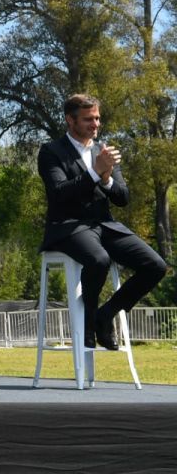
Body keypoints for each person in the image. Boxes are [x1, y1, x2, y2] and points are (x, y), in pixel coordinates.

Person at [38, 93, 169, 350]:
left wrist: (107, 178)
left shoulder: (103, 151)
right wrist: (95, 172)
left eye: (97, 118)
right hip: (68, 226)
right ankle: (87, 323)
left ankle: (105, 315)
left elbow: (123, 198)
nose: (95, 124)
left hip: (104, 224)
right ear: (70, 120)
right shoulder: (51, 152)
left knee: (155, 266)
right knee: (99, 259)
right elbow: (59, 193)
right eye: (88, 119)